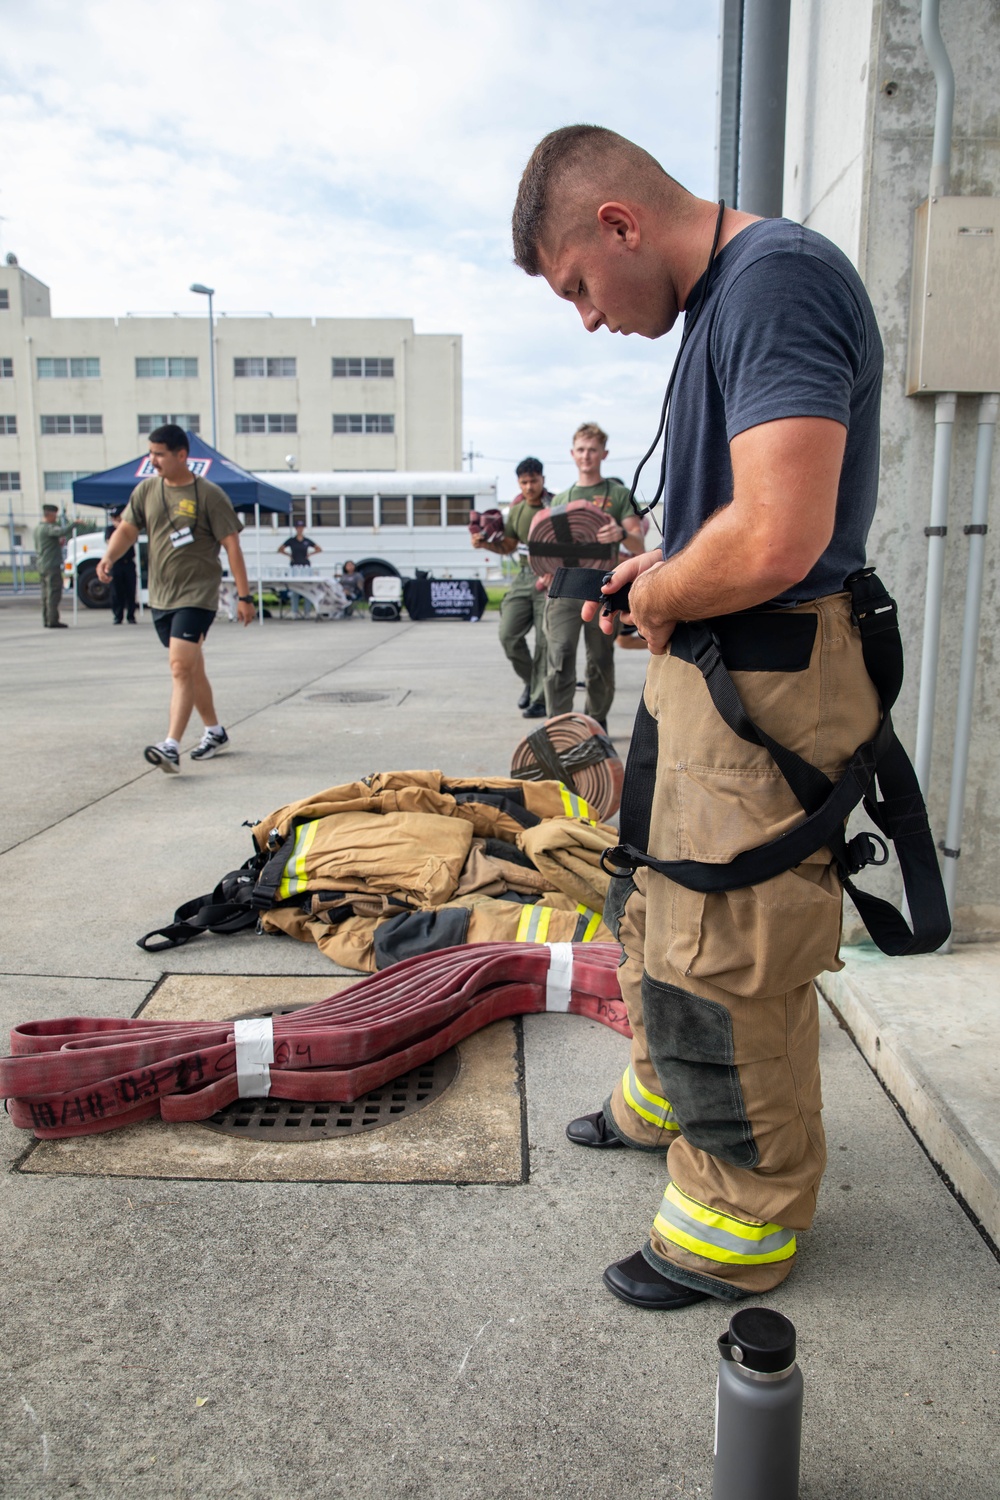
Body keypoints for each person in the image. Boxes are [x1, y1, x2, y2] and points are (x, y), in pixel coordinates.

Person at [512, 125, 884, 1310]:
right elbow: (740, 523)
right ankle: (663, 1099)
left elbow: (778, 534)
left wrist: (659, 591)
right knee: (657, 901)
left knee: (731, 950)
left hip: (767, 677)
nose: (586, 316)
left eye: (577, 285)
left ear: (619, 223)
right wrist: (660, 581)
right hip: (717, 667)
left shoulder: (777, 279)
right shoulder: (726, 297)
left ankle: (737, 1222)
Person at [96, 423, 256, 772]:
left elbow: (231, 544)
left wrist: (244, 595)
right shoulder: (146, 491)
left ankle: (170, 745)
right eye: (150, 453)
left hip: (197, 594)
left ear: (181, 455)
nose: (153, 460)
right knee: (192, 668)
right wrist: (109, 556)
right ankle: (215, 731)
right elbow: (127, 528)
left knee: (180, 667)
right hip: (161, 595)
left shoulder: (209, 494)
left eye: (159, 454)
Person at [544, 424, 644, 726]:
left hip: (604, 588)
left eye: (592, 450)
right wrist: (545, 572)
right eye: (581, 450)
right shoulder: (561, 499)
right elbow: (548, 546)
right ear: (572, 454)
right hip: (565, 588)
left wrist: (621, 532)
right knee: (559, 657)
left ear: (604, 454)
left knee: (599, 662)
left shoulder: (618, 494)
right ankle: (558, 730)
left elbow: (639, 543)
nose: (586, 455)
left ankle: (595, 727)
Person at [471, 457, 552, 716]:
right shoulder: (516, 510)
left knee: (544, 641)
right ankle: (532, 681)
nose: (529, 487)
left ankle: (540, 700)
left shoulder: (555, 505)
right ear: (519, 483)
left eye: (534, 481)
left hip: (550, 575)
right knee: (508, 635)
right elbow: (508, 545)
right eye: (524, 482)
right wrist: (484, 544)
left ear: (542, 480)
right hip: (524, 575)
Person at [33, 504, 77, 629]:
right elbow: (61, 531)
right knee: (53, 593)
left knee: (45, 594)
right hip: (51, 565)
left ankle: (46, 619)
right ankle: (52, 620)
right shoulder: (48, 528)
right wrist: (74, 523)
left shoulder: (37, 528)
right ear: (50, 515)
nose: (56, 518)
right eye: (55, 515)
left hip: (42, 564)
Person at [104, 507, 137, 624]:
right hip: (116, 563)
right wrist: (119, 531)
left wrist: (123, 530)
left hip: (128, 563)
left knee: (130, 590)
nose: (115, 520)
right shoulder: (110, 529)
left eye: (118, 518)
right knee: (116, 591)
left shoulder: (129, 529)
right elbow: (109, 542)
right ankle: (118, 616)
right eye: (114, 518)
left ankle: (131, 616)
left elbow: (133, 540)